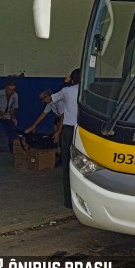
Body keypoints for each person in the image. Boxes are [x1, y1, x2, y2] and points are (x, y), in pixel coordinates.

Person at [52, 69, 80, 209]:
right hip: (84, 130)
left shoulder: (66, 91)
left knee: (67, 163)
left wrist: (65, 82)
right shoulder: (89, 91)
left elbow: (50, 99)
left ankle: (68, 201)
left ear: (72, 78)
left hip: (69, 130)